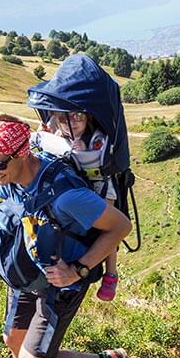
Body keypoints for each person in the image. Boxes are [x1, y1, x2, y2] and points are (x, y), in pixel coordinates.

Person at [0, 115, 132, 358]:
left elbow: (121, 227)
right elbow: (7, 212)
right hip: (29, 273)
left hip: (62, 282)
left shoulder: (68, 196)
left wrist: (79, 270)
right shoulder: (11, 178)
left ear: (21, 155)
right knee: (13, 339)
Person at [33, 110, 120, 301]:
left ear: (87, 117)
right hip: (73, 187)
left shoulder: (95, 137)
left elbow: (100, 158)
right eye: (63, 118)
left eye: (78, 116)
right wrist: (44, 135)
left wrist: (83, 152)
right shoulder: (58, 135)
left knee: (109, 228)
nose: (71, 123)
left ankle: (111, 274)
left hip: (101, 185)